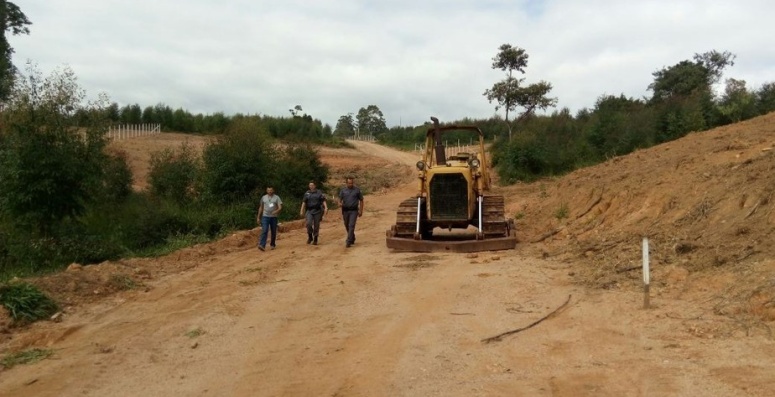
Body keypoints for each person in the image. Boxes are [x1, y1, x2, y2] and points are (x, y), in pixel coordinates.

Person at [337, 177, 364, 248]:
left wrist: (361, 210)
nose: (350, 184)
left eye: (351, 183)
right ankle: (352, 236)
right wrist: (339, 203)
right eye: (349, 183)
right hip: (345, 210)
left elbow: (361, 200)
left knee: (351, 225)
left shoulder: (357, 190)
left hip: (354, 211)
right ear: (346, 183)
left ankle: (348, 241)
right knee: (346, 225)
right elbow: (339, 199)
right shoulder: (343, 191)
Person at [300, 181, 328, 245]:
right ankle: (310, 236)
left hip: (317, 211)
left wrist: (326, 207)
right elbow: (304, 202)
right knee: (308, 224)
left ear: (315, 186)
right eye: (310, 185)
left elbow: (323, 200)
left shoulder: (319, 192)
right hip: (309, 210)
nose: (311, 187)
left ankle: (315, 238)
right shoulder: (307, 193)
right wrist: (301, 210)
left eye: (312, 185)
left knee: (316, 225)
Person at [257, 186, 282, 251]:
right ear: (266, 190)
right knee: (265, 230)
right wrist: (258, 217)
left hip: (273, 217)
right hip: (265, 216)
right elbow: (261, 207)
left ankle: (272, 244)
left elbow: (280, 207)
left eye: (271, 190)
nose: (270, 191)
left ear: (273, 190)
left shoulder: (277, 197)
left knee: (273, 231)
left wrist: (276, 211)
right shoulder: (263, 197)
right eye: (268, 190)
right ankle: (262, 245)